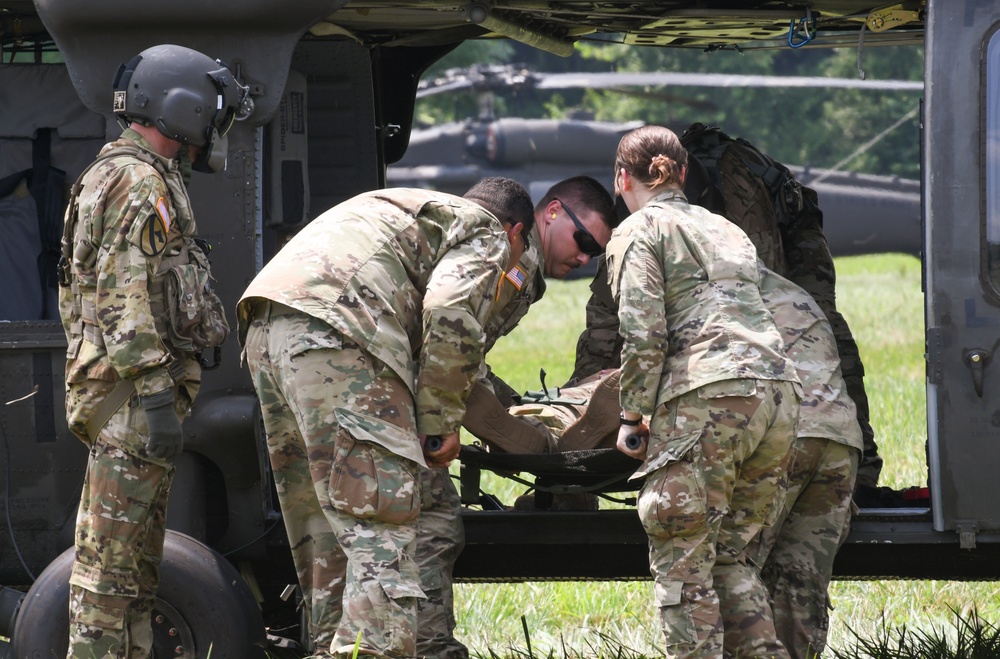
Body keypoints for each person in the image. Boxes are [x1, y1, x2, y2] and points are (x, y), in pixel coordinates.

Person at [236, 178, 534, 658]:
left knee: (327, 531)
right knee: (383, 531)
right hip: (340, 334)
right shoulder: (487, 231)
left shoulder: (409, 209)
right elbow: (452, 309)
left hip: (267, 332)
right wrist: (439, 421)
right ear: (516, 232)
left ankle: (329, 646)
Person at [571, 123, 884, 502]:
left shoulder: (737, 211)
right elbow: (609, 327)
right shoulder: (654, 225)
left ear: (624, 179)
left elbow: (657, 332)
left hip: (782, 269)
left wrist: (634, 418)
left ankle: (858, 475)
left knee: (811, 326)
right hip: (771, 412)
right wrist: (582, 430)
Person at [57, 44, 243, 658]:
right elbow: (122, 300)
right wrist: (157, 398)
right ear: (181, 108)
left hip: (129, 399)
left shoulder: (135, 174)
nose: (214, 128)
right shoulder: (137, 182)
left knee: (133, 572)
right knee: (109, 576)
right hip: (130, 402)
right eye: (211, 111)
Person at [607, 124, 801, 658]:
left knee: (683, 561)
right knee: (729, 560)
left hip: (710, 397)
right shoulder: (726, 228)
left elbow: (643, 331)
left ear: (621, 177)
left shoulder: (638, 230)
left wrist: (632, 417)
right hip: (778, 395)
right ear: (683, 174)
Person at [416, 175, 617, 659]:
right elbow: (452, 334)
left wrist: (507, 406)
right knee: (431, 521)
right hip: (413, 383)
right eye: (584, 240)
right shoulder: (515, 258)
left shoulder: (523, 268)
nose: (585, 257)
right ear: (550, 214)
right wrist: (475, 419)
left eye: (596, 252)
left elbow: (469, 352)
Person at [746, 267, 862, 658]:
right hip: (838, 440)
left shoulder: (711, 290)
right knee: (800, 588)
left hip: (782, 437)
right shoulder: (786, 289)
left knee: (733, 572)